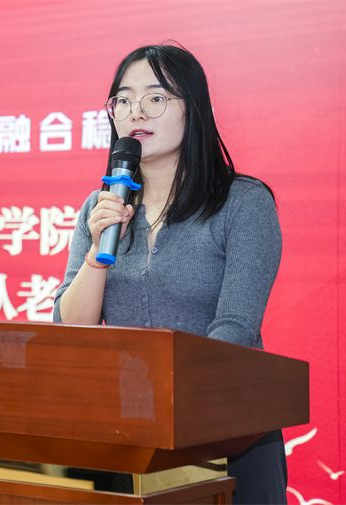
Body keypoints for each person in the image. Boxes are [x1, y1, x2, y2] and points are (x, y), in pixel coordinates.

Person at [52, 44, 287, 504]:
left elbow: (235, 329)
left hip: (228, 431)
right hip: (131, 432)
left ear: (192, 108)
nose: (136, 111)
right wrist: (98, 253)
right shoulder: (100, 207)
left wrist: (170, 405)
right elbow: (70, 327)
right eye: (123, 99)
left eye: (156, 97)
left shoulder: (242, 203)